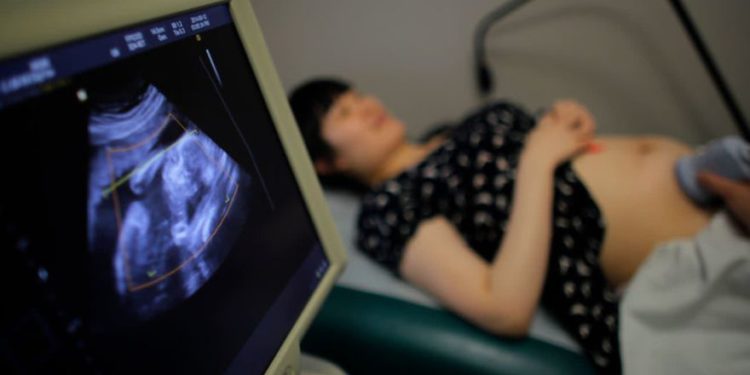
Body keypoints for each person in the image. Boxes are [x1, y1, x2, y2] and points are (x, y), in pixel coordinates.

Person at [288, 78, 716, 373]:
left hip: (712, 177)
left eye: (357, 95)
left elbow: (556, 149)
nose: (366, 106)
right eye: (344, 112)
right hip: (702, 248)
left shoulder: (447, 135)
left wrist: (564, 122)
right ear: (328, 163)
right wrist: (538, 160)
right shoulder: (390, 208)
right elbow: (505, 308)